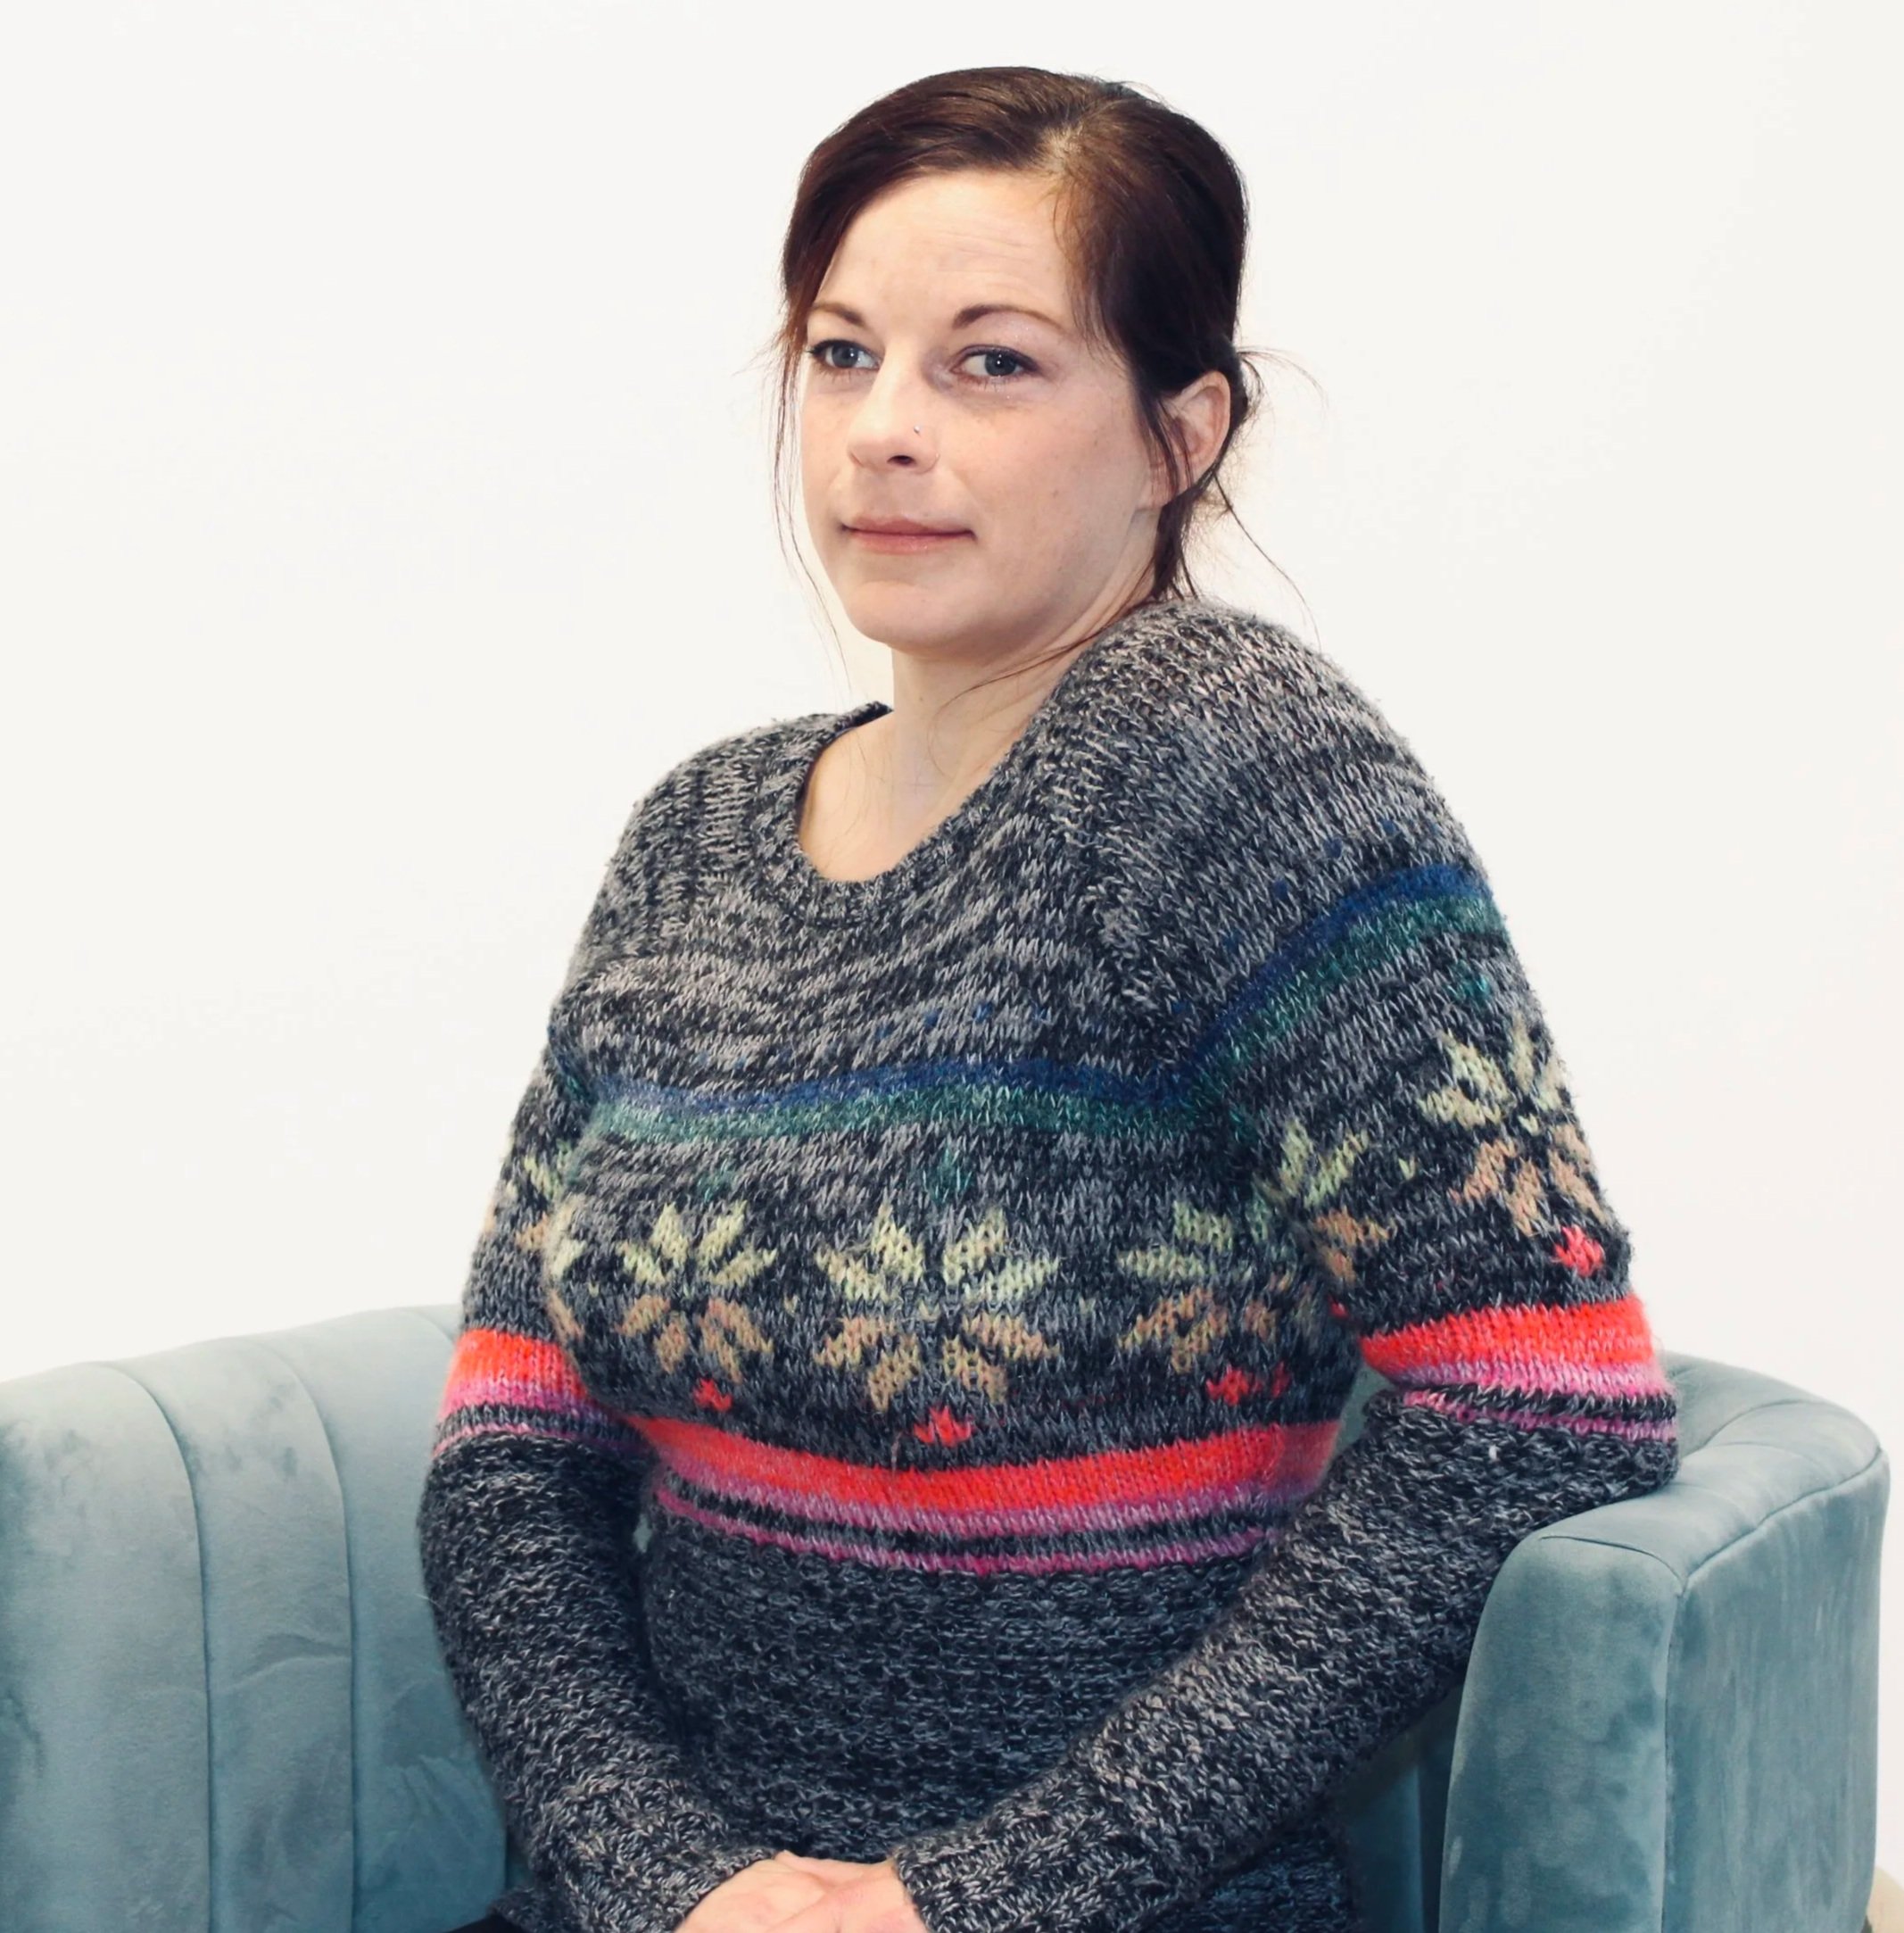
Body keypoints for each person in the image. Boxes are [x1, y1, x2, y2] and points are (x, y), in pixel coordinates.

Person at [419, 63, 1680, 1933]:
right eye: (840, 355)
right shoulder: (694, 833)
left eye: (990, 363)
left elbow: (1538, 1401)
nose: (881, 433)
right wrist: (678, 1882)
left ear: (1181, 433)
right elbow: (515, 1437)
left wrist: (958, 1899)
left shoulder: (1240, 769)